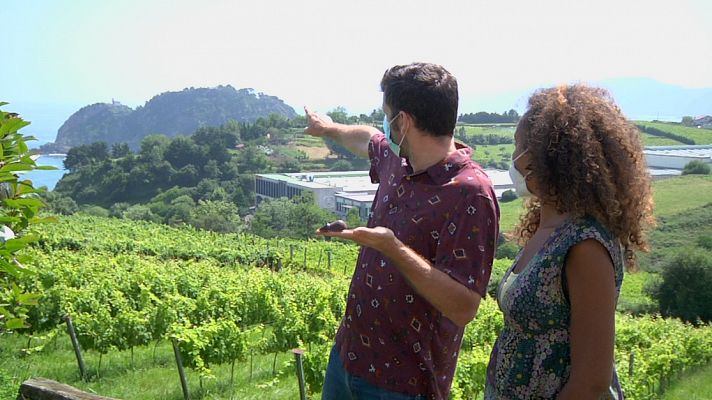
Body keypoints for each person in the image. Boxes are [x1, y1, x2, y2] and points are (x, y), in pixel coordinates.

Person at [305, 62, 500, 400]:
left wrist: (394, 249)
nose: (385, 124)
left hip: (403, 384)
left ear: (404, 121)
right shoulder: (398, 161)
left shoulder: (470, 193)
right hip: (348, 358)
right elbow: (368, 138)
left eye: (388, 115)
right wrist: (330, 128)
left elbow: (464, 306)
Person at [485, 84, 655, 399]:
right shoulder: (548, 227)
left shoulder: (584, 245)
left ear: (546, 158)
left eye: (518, 146)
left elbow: (591, 384)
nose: (514, 158)